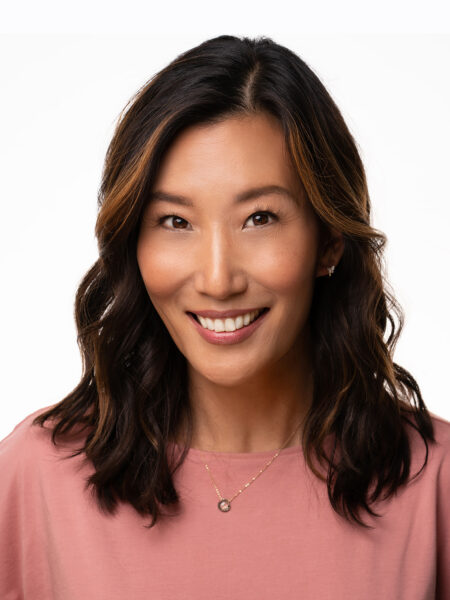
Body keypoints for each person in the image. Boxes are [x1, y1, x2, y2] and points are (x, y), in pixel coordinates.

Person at [1, 34, 449, 599]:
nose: (217, 279)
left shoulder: (435, 484)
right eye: (175, 221)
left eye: (260, 218)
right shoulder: (37, 476)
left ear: (330, 240)